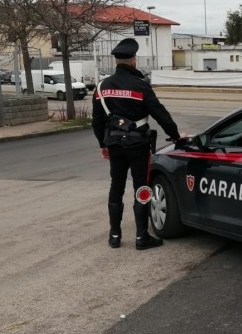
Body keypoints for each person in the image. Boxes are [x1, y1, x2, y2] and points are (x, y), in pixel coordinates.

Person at [92, 38, 182, 250]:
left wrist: (102, 144)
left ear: (116, 61)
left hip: (114, 144)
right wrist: (175, 135)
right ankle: (142, 236)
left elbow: (97, 121)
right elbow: (160, 114)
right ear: (133, 60)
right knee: (141, 186)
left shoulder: (102, 87)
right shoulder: (141, 86)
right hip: (138, 145)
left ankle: (114, 235)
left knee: (116, 185)